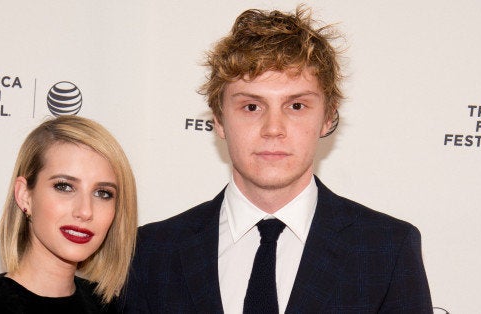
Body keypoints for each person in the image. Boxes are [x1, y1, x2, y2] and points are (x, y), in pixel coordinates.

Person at [121, 5, 432, 313]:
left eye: (296, 106)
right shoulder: (152, 251)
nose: (273, 129)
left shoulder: (386, 250)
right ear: (218, 119)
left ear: (327, 117)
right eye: (252, 107)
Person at [0, 115, 137, 314]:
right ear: (25, 196)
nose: (85, 211)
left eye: (103, 193)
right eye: (64, 187)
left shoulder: (108, 305)